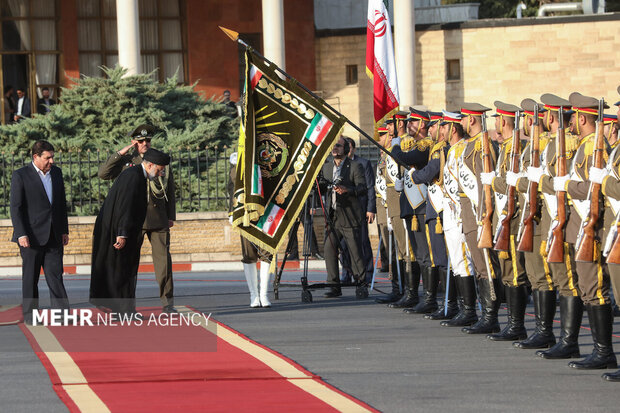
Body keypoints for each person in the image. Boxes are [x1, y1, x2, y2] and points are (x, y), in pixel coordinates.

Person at [550, 92, 616, 370]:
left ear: (581, 118)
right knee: (589, 288)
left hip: (596, 226)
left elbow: (594, 190)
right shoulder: (586, 146)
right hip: (586, 226)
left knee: (594, 288)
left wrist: (565, 186)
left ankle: (604, 352)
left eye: (575, 117)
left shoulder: (592, 148)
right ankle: (600, 351)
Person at [98, 125, 176, 312]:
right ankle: (127, 305)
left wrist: (170, 215)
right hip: (135, 220)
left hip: (157, 218)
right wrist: (121, 152)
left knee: (164, 263)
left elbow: (170, 189)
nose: (144, 144)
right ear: (134, 142)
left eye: (147, 140)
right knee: (129, 263)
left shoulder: (159, 159)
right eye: (140, 141)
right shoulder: (127, 161)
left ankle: (167, 303)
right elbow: (103, 174)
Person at [527, 94, 582, 359]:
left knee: (566, 279)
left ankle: (569, 341)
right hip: (551, 217)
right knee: (556, 277)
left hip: (563, 216)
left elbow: (563, 184)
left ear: (549, 117)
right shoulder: (553, 144)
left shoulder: (567, 144)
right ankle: (553, 334)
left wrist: (542, 181)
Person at [480, 101, 529, 341]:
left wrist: (492, 181)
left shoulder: (515, 149)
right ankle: (513, 324)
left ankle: (517, 326)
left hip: (514, 216)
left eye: (498, 118)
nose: (495, 123)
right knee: (508, 272)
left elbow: (514, 185)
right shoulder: (506, 148)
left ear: (505, 122)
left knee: (515, 272)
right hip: (504, 216)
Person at [512, 99, 557, 350]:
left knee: (543, 276)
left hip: (540, 216)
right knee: (534, 275)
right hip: (528, 215)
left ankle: (545, 331)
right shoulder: (531, 149)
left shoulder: (548, 147)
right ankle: (541, 330)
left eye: (529, 119)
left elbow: (540, 184)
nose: (527, 124)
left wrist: (518, 183)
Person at [10, 140, 69, 323]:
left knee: (55, 276)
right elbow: (16, 207)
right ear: (36, 157)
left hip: (54, 234)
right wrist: (21, 233)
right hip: (31, 237)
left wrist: (64, 230)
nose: (51, 161)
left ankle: (62, 315)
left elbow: (60, 204)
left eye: (52, 157)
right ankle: (30, 316)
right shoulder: (21, 175)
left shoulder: (57, 173)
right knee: (30, 278)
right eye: (47, 157)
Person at [458, 103, 502, 335]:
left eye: (464, 119)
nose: (461, 123)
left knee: (486, 265)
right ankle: (486, 313)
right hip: (468, 213)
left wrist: (484, 214)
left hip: (478, 214)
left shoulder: (482, 145)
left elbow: (484, 182)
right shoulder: (472, 145)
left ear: (472, 120)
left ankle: (490, 316)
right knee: (478, 265)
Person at [320, 136, 368, 298]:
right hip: (333, 216)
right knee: (329, 249)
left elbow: (362, 187)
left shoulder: (355, 166)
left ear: (346, 149)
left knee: (354, 252)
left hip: (349, 215)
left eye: (338, 146)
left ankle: (361, 284)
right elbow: (321, 186)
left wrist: (347, 189)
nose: (335, 148)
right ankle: (334, 285)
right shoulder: (326, 168)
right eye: (333, 146)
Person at [228, 152, 274, 308]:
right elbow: (234, 185)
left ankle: (264, 294)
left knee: (267, 253)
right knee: (249, 255)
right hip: (246, 211)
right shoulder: (238, 161)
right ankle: (254, 295)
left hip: (267, 211)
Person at [341, 136, 375, 283]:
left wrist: (370, 209)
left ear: (352, 149)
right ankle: (347, 273)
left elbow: (369, 188)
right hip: (344, 210)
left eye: (348, 148)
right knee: (344, 244)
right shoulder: (339, 164)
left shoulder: (363, 163)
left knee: (362, 241)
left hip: (360, 209)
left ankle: (367, 272)